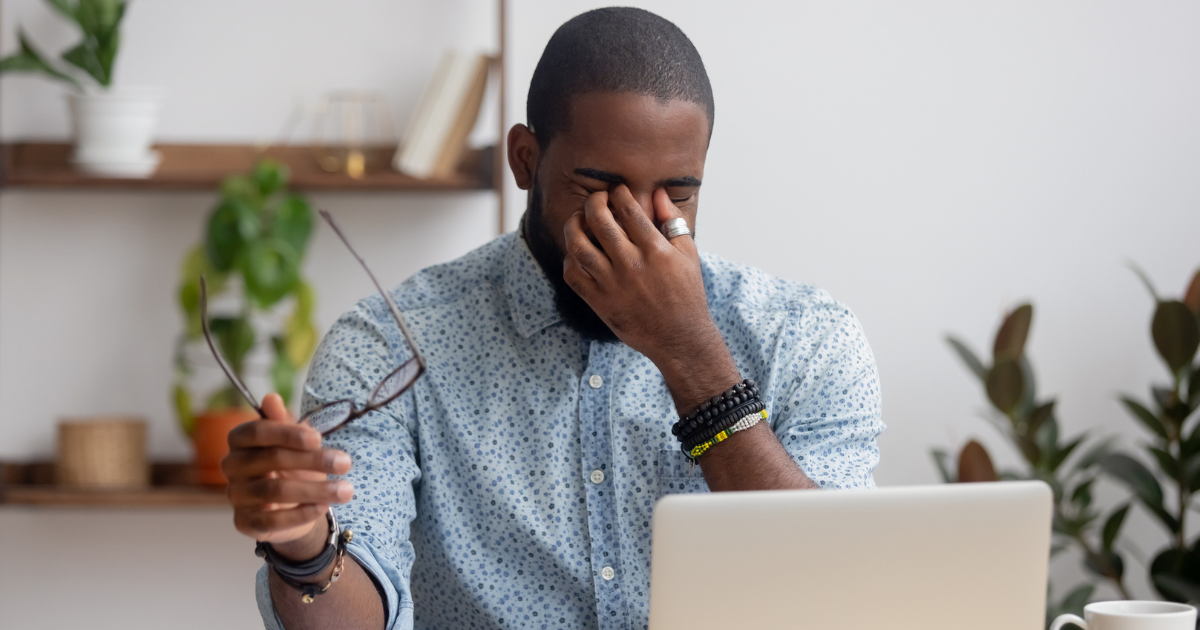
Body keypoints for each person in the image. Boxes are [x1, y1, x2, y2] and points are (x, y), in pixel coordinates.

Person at [224, 7, 884, 630]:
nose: (638, 229)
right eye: (597, 191)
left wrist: (692, 356)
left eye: (677, 194)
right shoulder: (388, 343)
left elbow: (829, 600)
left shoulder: (807, 338)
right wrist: (305, 549)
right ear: (526, 161)